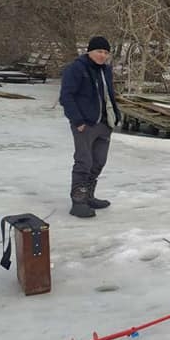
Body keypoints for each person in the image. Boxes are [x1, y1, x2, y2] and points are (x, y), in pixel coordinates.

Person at [59, 36, 121, 219]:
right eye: (99, 51)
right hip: (85, 124)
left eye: (105, 52)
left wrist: (115, 117)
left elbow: (109, 95)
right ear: (89, 51)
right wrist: (78, 121)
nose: (102, 55)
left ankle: (89, 196)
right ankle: (78, 202)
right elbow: (66, 97)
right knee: (84, 161)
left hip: (104, 123)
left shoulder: (106, 71)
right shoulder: (76, 69)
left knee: (98, 162)